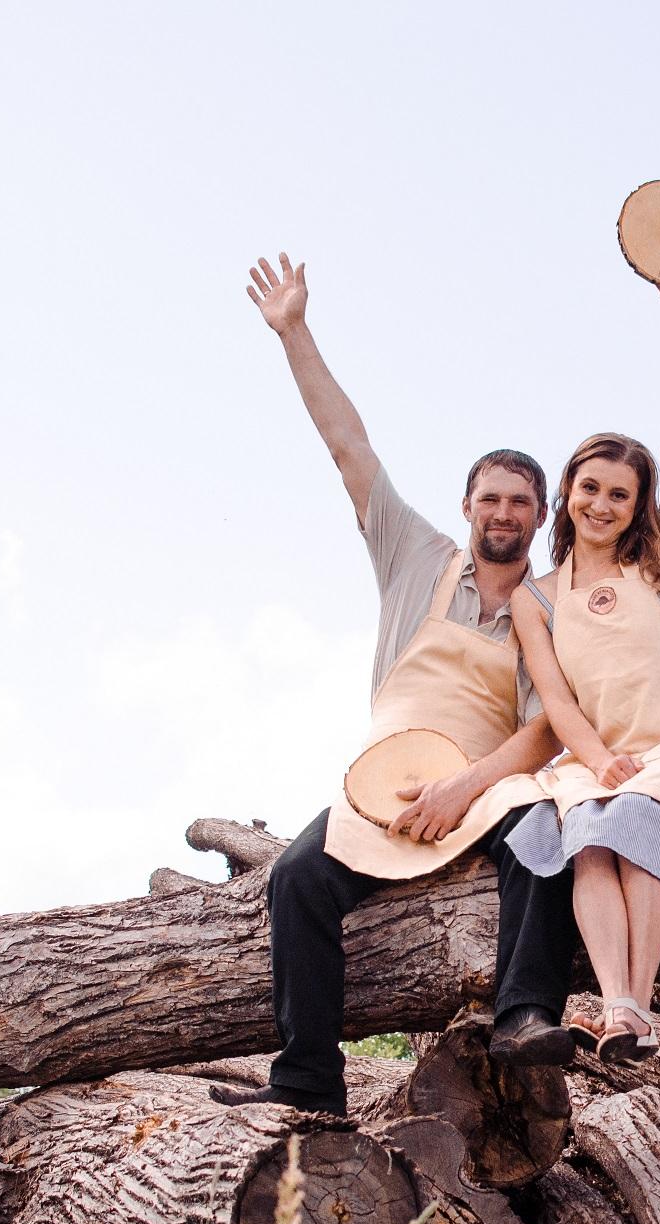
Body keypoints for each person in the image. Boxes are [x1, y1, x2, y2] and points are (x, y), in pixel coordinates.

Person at [221, 253, 581, 1116]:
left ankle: (526, 1015)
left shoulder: (550, 610)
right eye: (491, 499)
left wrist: (465, 788)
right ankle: (308, 1081)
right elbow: (349, 444)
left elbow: (547, 732)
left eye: (521, 504)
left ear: (541, 518)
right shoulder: (415, 557)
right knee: (296, 881)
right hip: (382, 779)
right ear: (466, 506)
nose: (504, 515)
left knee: (544, 832)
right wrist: (295, 331)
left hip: (487, 782)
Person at [505, 268, 660, 1063]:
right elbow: (559, 701)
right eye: (590, 488)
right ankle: (619, 1004)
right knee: (592, 840)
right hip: (598, 756)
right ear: (568, 493)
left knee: (636, 828)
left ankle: (631, 1009)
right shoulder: (537, 600)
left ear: (639, 505)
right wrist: (602, 759)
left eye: (620, 494)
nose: (603, 504)